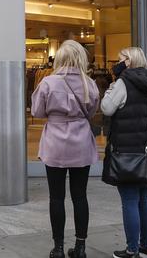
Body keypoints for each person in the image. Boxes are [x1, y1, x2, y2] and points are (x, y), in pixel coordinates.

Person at [31, 40, 100, 258]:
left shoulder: (48, 82)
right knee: (80, 196)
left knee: (56, 197)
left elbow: (38, 111)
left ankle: (58, 247)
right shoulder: (89, 83)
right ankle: (80, 247)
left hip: (55, 143)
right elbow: (92, 110)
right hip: (80, 141)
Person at [101, 47, 147, 258]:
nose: (117, 63)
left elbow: (107, 108)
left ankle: (131, 250)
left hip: (127, 152)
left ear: (129, 61)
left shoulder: (123, 83)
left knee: (129, 200)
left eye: (120, 59)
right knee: (144, 198)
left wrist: (110, 88)